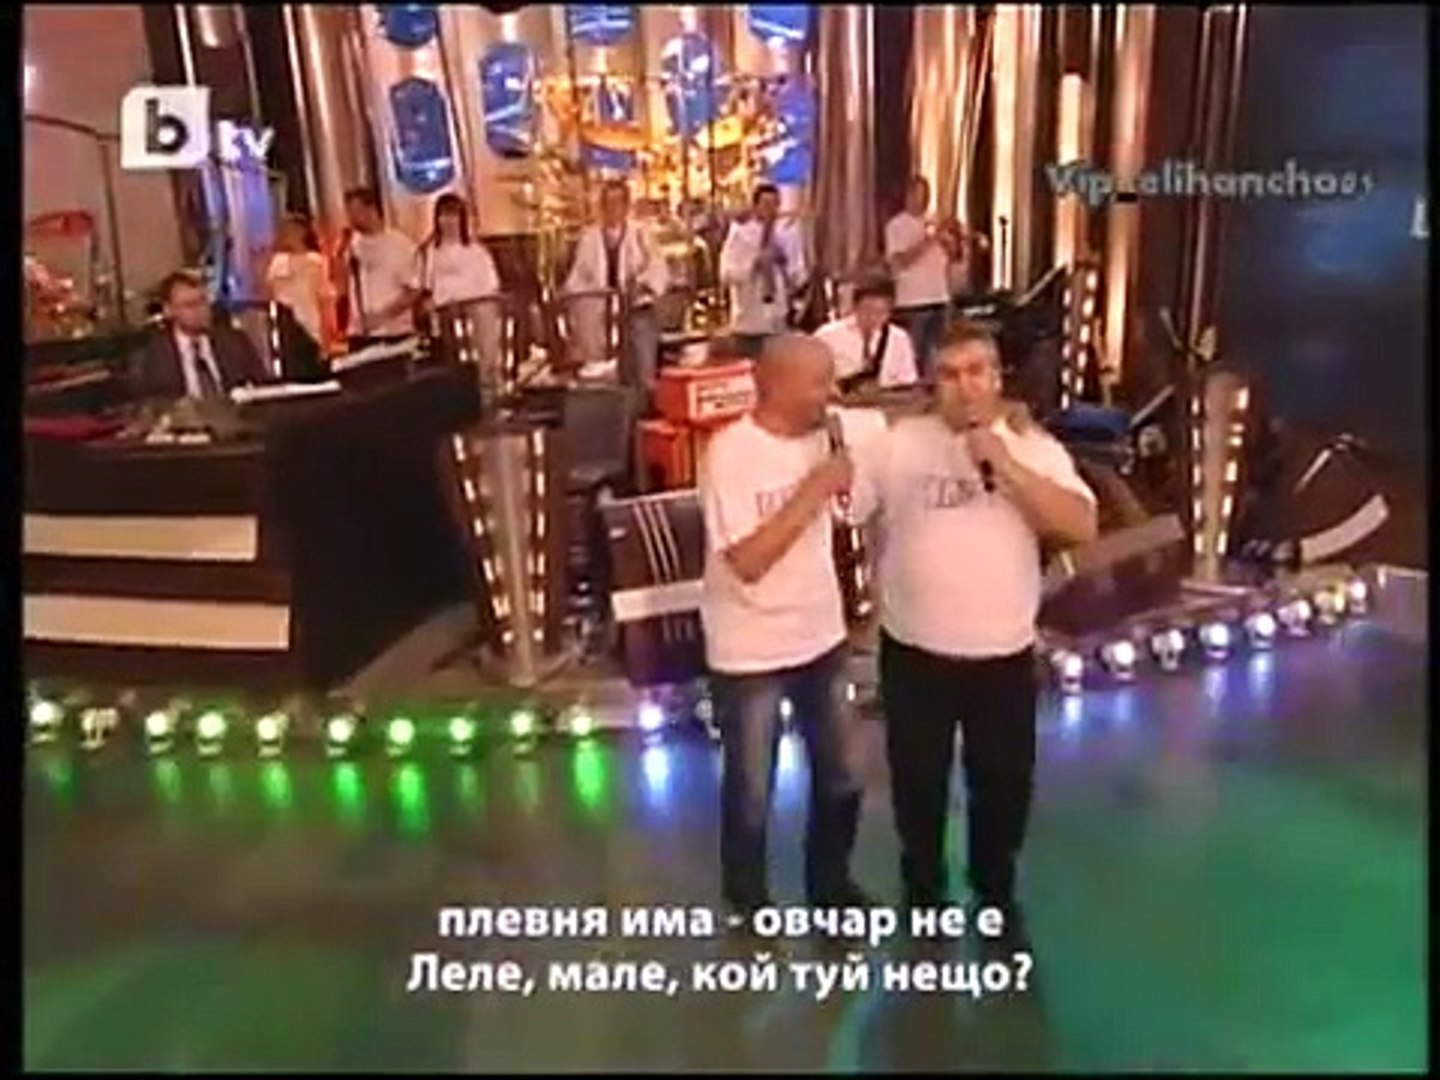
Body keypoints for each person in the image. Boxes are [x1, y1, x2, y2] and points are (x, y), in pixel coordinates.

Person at [847, 321, 1098, 939]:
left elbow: (1081, 525)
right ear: (932, 383)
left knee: (1003, 786)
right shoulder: (897, 446)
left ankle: (995, 887)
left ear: (996, 377)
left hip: (1003, 654)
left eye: (977, 371)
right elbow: (844, 508)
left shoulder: (1032, 448)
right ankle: (923, 889)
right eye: (950, 374)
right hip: (915, 651)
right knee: (918, 785)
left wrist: (1007, 467)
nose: (965, 386)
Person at [698, 334, 870, 921]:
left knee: (843, 776)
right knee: (752, 787)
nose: (830, 393)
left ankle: (831, 885)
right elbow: (748, 562)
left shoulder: (829, 435)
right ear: (774, 384)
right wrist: (814, 489)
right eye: (819, 382)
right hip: (749, 649)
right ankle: (747, 899)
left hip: (821, 636)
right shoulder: (730, 454)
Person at [563, 178, 668, 390]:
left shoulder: (640, 235)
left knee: (641, 350)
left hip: (635, 308)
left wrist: (643, 285)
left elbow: (657, 268)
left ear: (626, 206)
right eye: (608, 203)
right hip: (600, 312)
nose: (613, 208)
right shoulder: (589, 238)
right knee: (599, 366)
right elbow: (577, 278)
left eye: (618, 202)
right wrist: (587, 295)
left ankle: (645, 390)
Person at [128, 270, 271, 403]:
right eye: (190, 305)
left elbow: (264, 388)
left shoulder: (236, 342)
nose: (201, 311)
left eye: (203, 302)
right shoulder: (150, 357)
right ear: (168, 311)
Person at [719, 184, 808, 358]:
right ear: (755, 206)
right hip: (750, 319)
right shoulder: (740, 236)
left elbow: (799, 276)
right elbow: (726, 274)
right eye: (766, 204)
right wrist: (754, 264)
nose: (771, 210)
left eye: (775, 204)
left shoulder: (785, 236)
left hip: (778, 319)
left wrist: (784, 264)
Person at [884, 176, 957, 378]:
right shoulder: (897, 225)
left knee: (940, 354)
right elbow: (901, 262)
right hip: (913, 301)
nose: (922, 200)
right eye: (917, 195)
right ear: (908, 196)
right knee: (914, 354)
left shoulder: (933, 221)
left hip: (940, 297)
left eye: (925, 195)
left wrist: (951, 243)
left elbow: (953, 258)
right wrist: (930, 240)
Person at [338, 186, 418, 350]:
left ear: (371, 210)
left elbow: (413, 290)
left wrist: (382, 316)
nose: (351, 218)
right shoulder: (353, 244)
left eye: (356, 212)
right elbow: (341, 286)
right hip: (359, 333)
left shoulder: (399, 245)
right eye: (349, 213)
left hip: (393, 332)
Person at [813, 275, 919, 394]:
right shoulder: (828, 335)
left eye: (881, 312)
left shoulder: (899, 338)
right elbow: (812, 377)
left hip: (885, 400)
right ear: (855, 307)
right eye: (867, 310)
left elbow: (908, 380)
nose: (873, 317)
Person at [264, 214, 332, 381]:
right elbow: (268, 291)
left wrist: (326, 338)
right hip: (286, 324)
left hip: (311, 326)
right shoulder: (278, 262)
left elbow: (323, 298)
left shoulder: (315, 262)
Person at [416, 193, 501, 310]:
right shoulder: (429, 252)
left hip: (476, 309)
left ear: (462, 219)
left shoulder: (477, 251)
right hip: (444, 310)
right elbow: (426, 287)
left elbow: (492, 286)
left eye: (454, 215)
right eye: (444, 215)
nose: (449, 221)